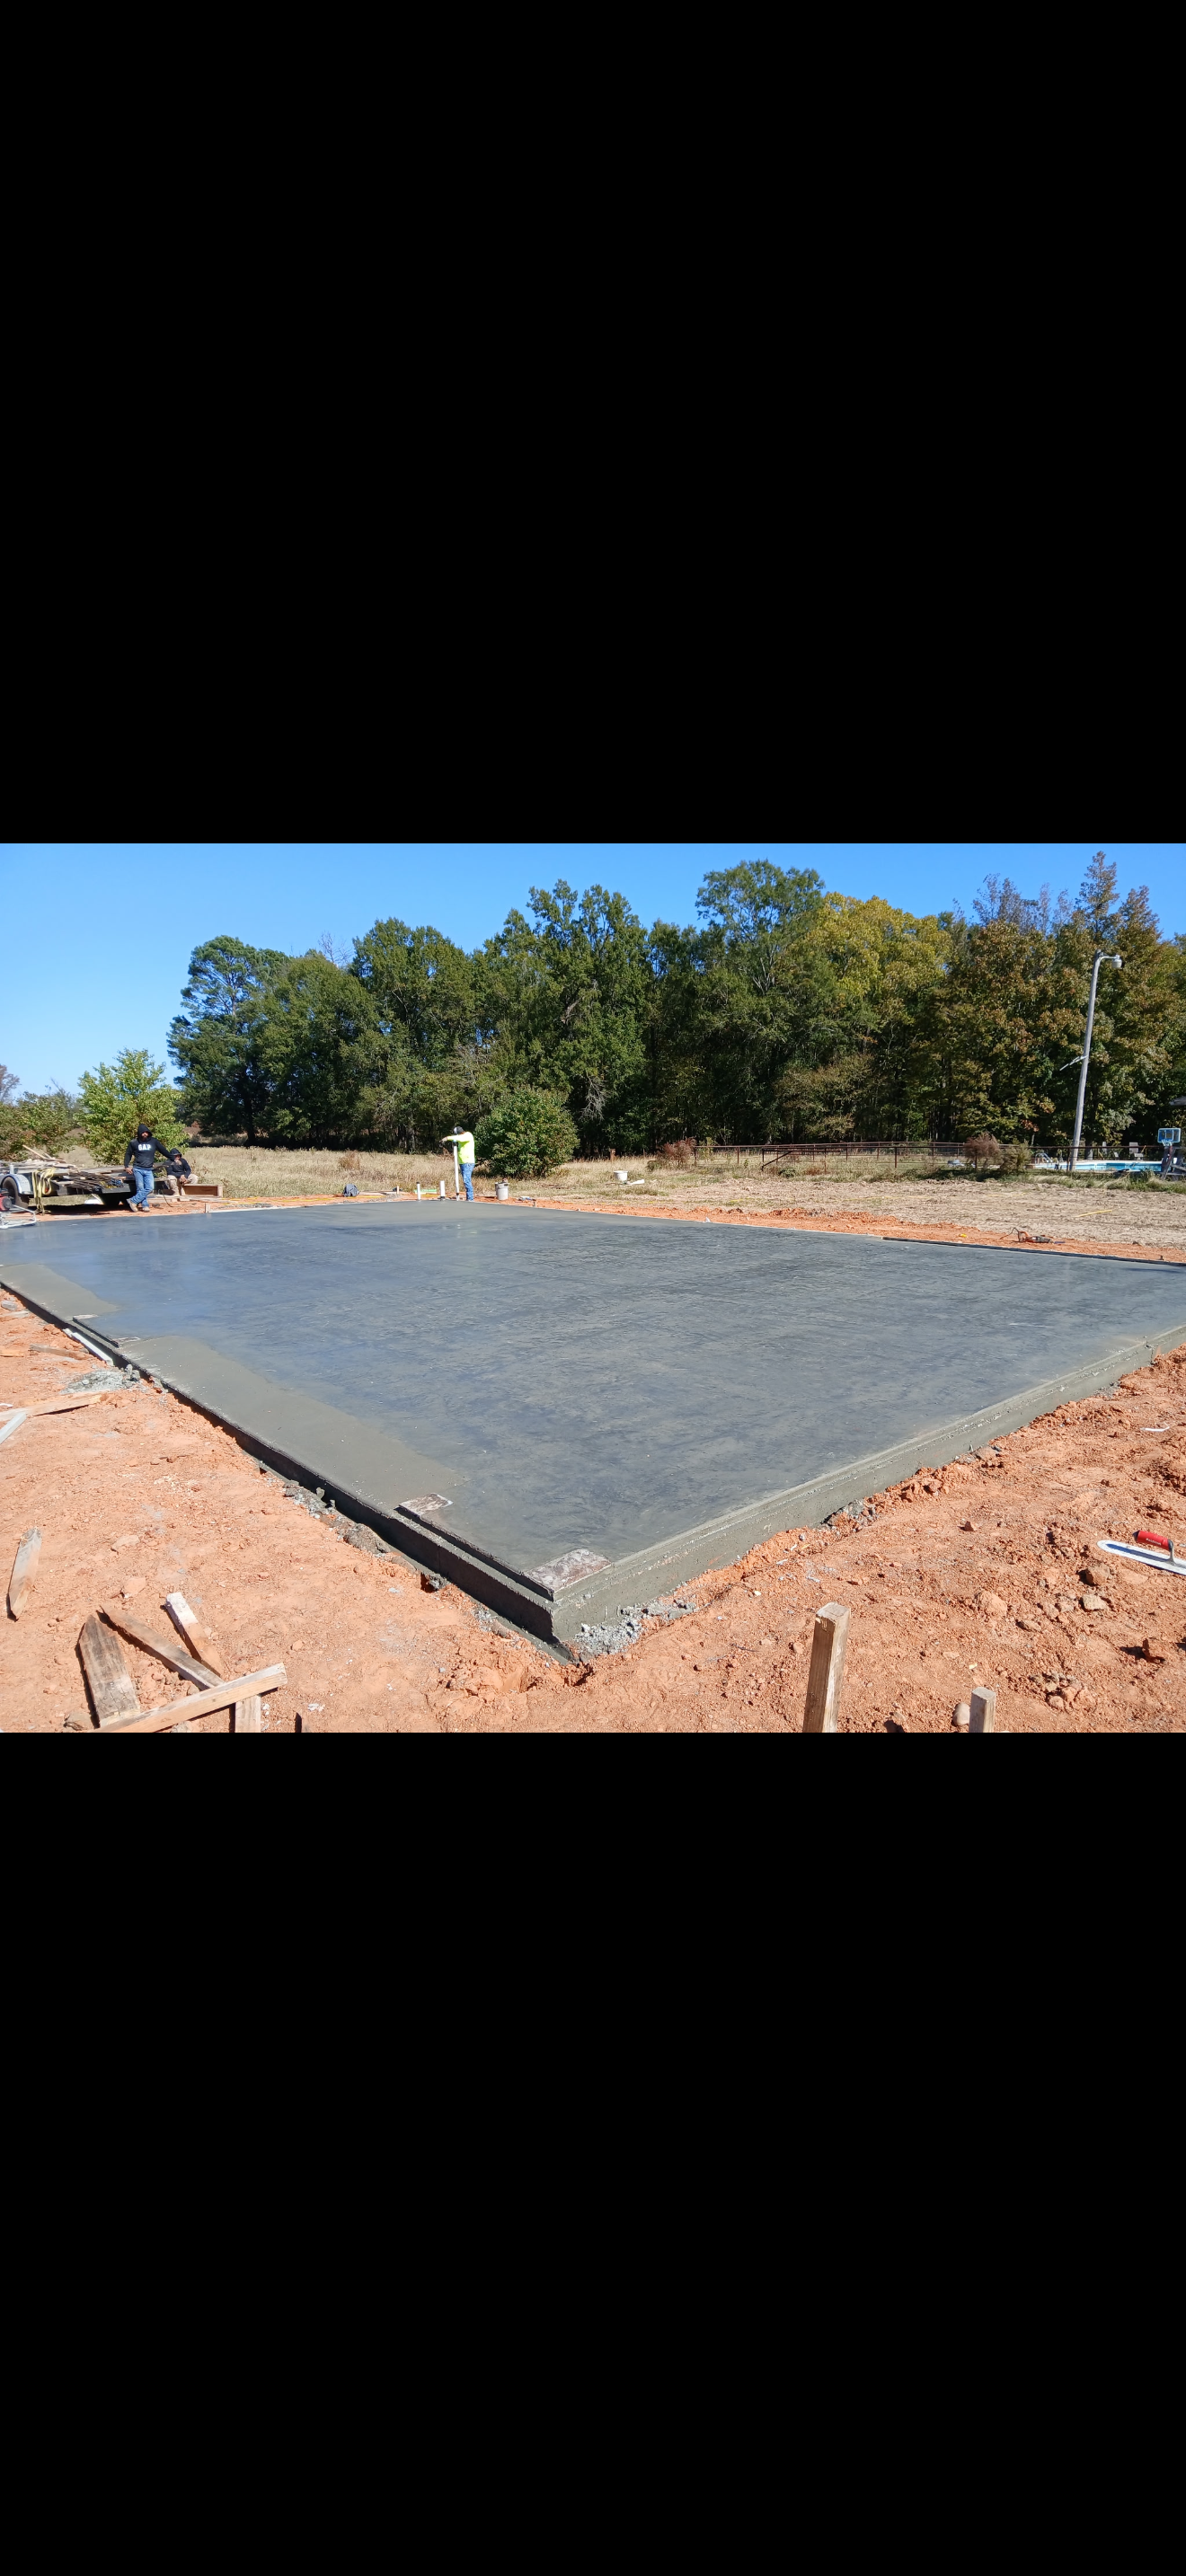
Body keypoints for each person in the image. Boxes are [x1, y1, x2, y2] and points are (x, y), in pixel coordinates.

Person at [123, 1125, 174, 1211]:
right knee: (140, 1188)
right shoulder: (134, 1142)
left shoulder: (154, 1141)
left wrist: (173, 1158)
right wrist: (126, 1166)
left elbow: (163, 1150)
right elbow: (128, 1154)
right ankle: (145, 1205)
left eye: (146, 1132)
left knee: (150, 1187)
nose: (145, 1134)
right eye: (143, 1132)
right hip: (138, 1168)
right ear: (139, 1133)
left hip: (148, 1169)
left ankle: (133, 1201)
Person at [449, 1128, 476, 1201]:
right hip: (462, 1162)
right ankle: (469, 1198)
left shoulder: (468, 1135)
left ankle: (470, 1199)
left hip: (468, 1162)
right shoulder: (462, 1139)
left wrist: (447, 1138)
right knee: (466, 1180)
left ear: (460, 1133)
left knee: (466, 1180)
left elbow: (459, 1138)